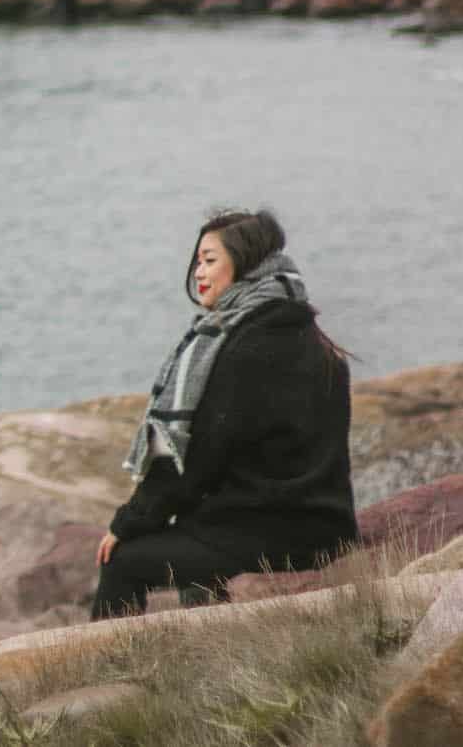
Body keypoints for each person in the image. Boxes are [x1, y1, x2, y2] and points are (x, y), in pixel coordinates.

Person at [91, 206, 358, 620]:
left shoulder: (239, 348)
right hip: (327, 528)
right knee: (194, 534)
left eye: (210, 260)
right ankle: (206, 648)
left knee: (123, 561)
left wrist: (128, 522)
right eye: (197, 261)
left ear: (247, 263)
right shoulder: (316, 342)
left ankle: (106, 677)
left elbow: (191, 462)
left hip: (267, 536)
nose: (199, 272)